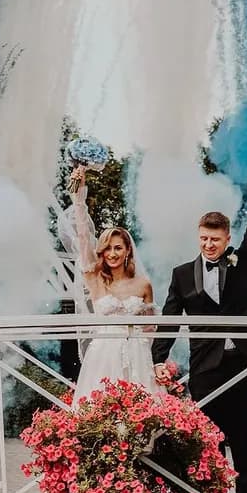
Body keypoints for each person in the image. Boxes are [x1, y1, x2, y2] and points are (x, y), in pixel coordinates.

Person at [151, 154, 247, 493]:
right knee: (206, 443)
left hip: (241, 362)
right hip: (204, 367)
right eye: (203, 239)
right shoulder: (182, 275)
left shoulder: (241, 262)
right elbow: (170, 319)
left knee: (241, 442)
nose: (208, 245)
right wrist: (158, 358)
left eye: (214, 239)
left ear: (227, 239)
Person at [67, 165, 161, 403]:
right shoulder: (95, 279)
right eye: (107, 248)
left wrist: (144, 354)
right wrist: (79, 198)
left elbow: (151, 329)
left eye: (118, 248)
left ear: (128, 250)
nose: (112, 253)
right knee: (101, 411)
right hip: (103, 355)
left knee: (140, 411)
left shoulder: (143, 285)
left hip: (137, 355)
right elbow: (83, 237)